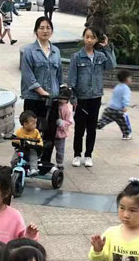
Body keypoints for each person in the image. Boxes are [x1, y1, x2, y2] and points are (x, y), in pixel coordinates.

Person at [67, 27, 116, 167]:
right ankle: (77, 154)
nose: (89, 40)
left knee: (91, 128)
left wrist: (106, 48)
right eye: (87, 37)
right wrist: (73, 97)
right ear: (83, 38)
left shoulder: (100, 56)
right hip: (81, 97)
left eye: (92, 37)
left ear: (96, 40)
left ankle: (88, 155)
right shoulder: (76, 57)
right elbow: (71, 79)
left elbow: (112, 65)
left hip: (95, 96)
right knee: (79, 129)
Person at [19, 17, 62, 166]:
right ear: (36, 31)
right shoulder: (29, 51)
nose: (45, 31)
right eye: (41, 28)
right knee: (31, 133)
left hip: (52, 100)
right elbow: (27, 75)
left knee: (50, 133)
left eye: (48, 28)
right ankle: (29, 163)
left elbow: (59, 76)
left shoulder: (56, 51)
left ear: (52, 31)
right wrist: (41, 90)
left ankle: (45, 164)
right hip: (34, 99)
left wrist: (61, 92)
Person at [95, 70, 133, 144]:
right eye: (130, 78)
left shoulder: (117, 86)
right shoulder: (126, 88)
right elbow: (125, 98)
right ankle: (126, 134)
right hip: (118, 110)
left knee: (103, 121)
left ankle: (93, 126)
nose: (131, 79)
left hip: (110, 108)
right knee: (123, 123)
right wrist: (125, 106)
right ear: (126, 79)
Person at [13, 109, 45, 174]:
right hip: (21, 149)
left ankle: (33, 169)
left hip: (31, 149)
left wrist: (39, 145)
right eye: (33, 123)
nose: (35, 125)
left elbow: (39, 140)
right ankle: (14, 169)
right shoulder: (19, 131)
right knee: (14, 159)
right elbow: (14, 138)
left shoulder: (36, 132)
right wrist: (17, 141)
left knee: (33, 156)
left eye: (36, 123)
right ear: (25, 124)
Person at [53, 85, 73, 169]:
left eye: (63, 99)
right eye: (59, 98)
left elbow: (69, 121)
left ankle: (60, 163)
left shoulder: (67, 109)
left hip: (61, 132)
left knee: (60, 149)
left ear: (67, 100)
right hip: (52, 130)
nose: (60, 100)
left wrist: (61, 123)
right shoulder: (55, 104)